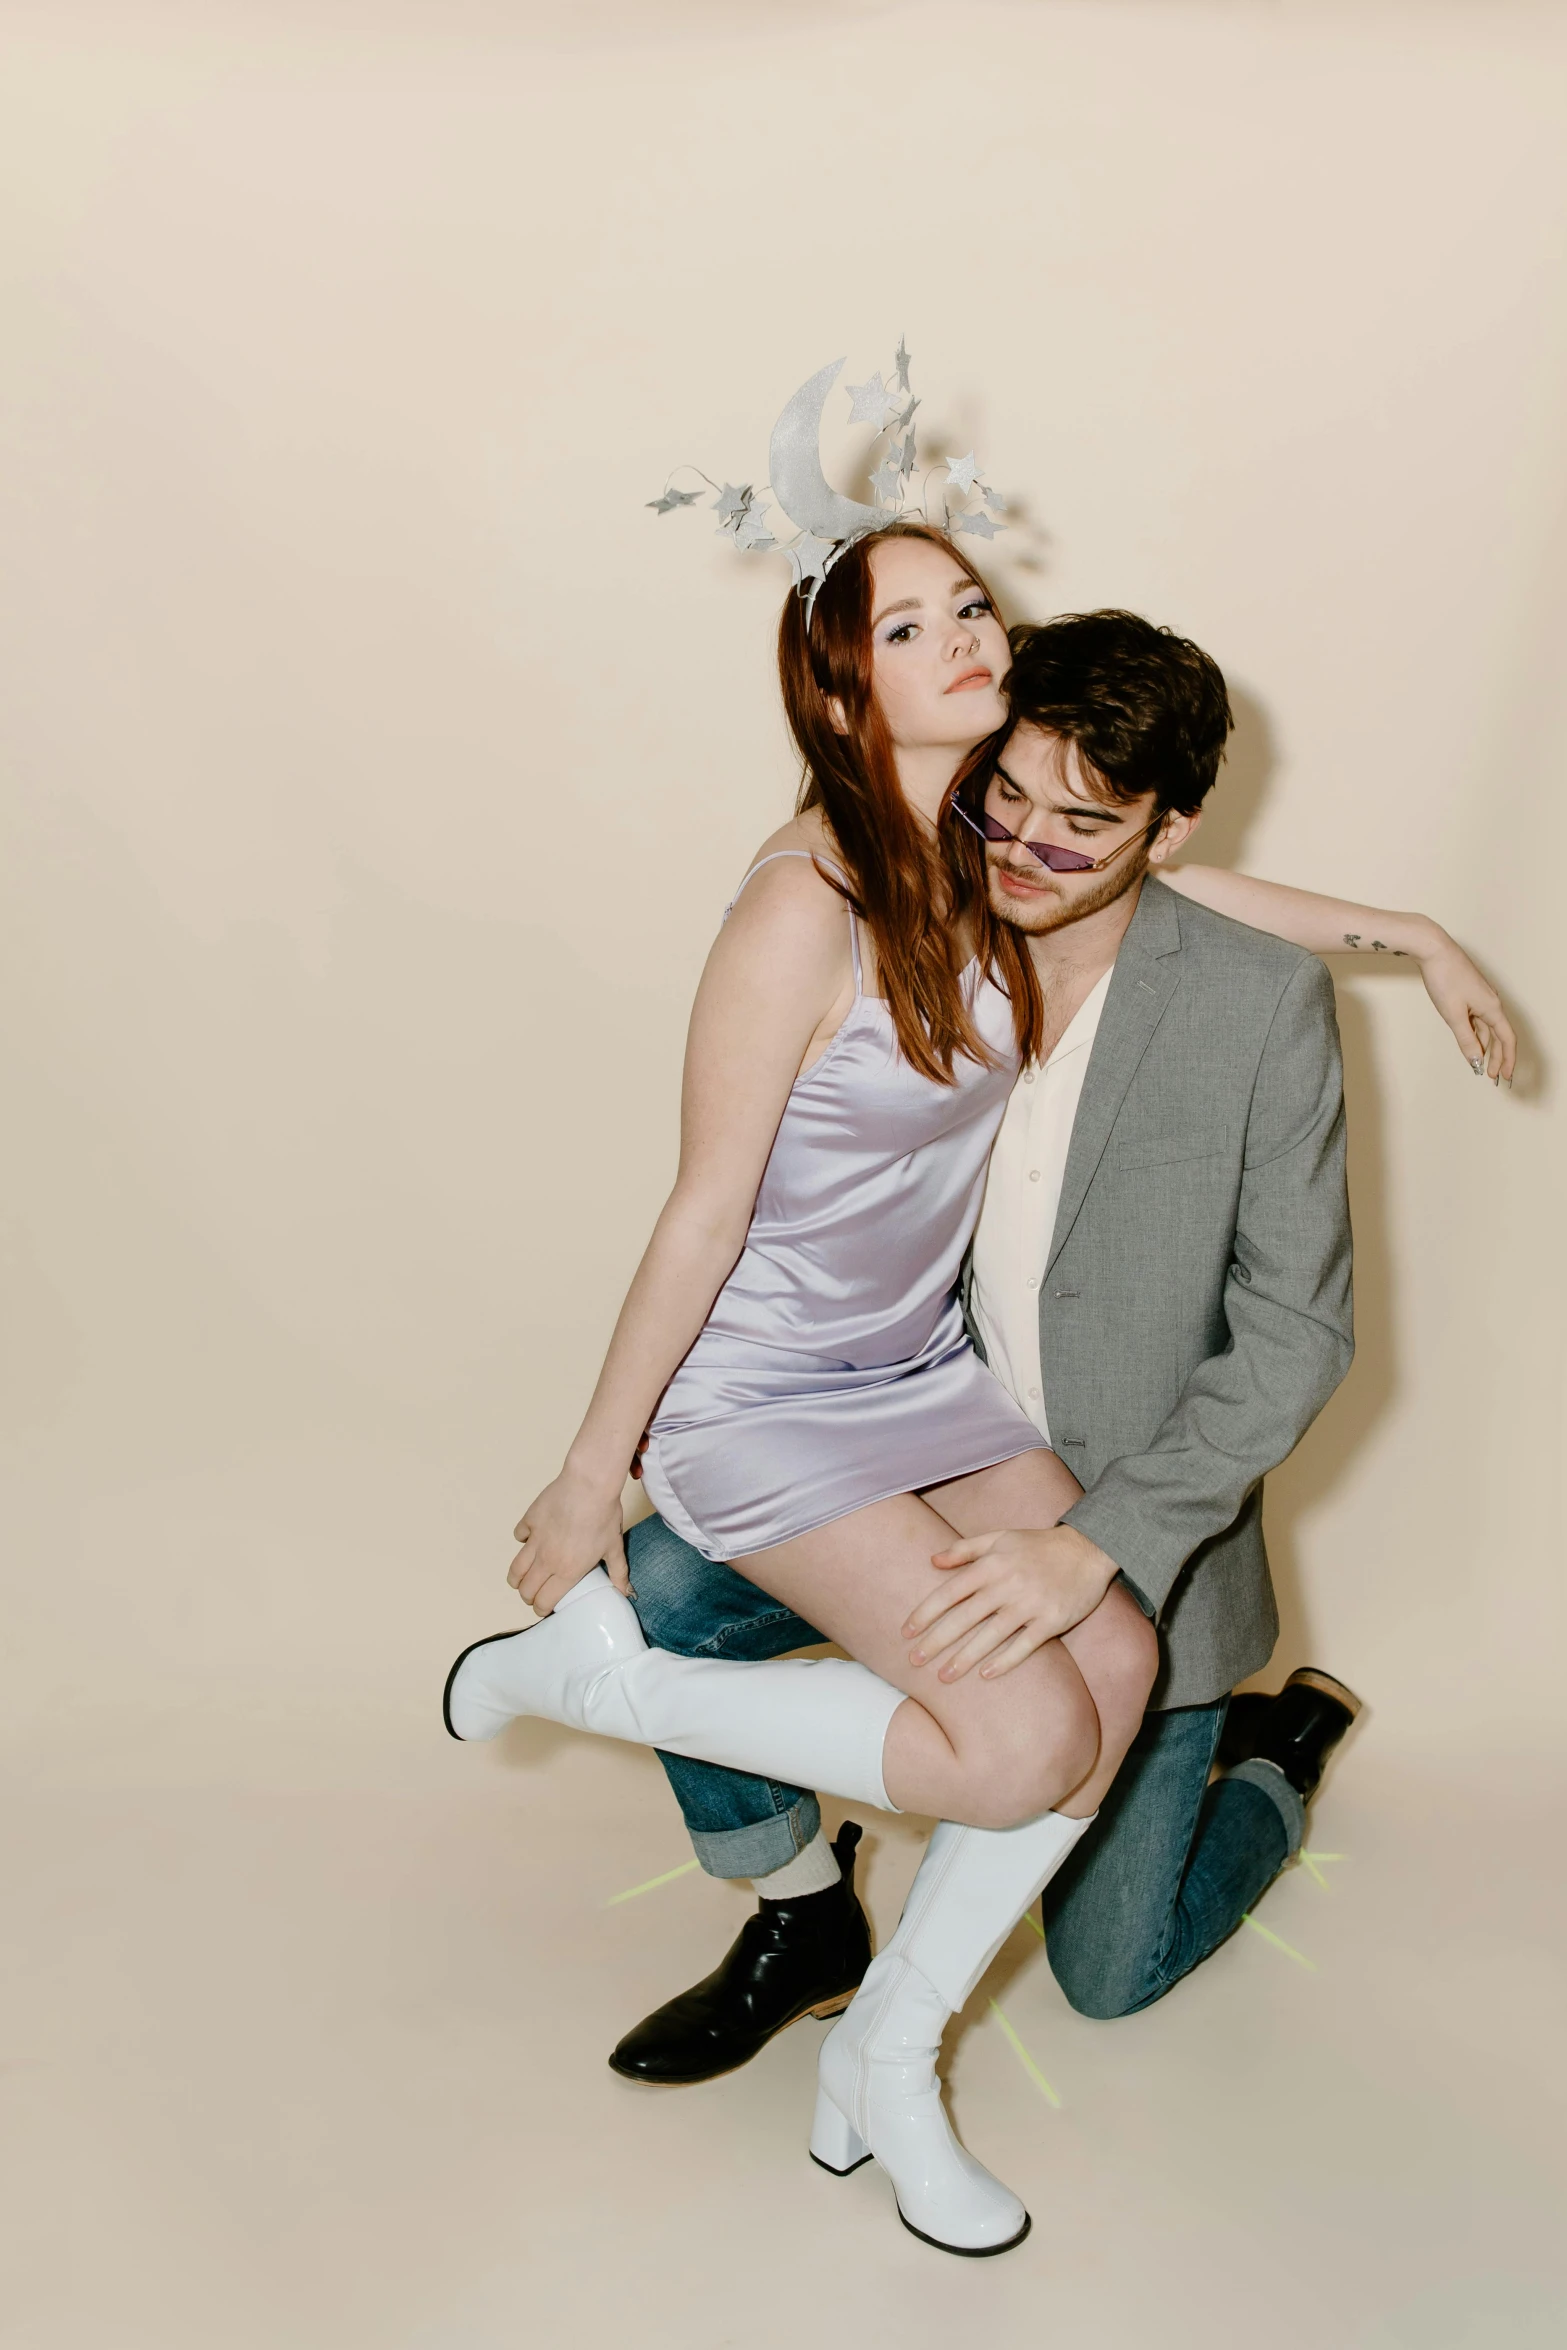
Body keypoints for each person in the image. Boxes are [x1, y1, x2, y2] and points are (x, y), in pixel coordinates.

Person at [443, 523, 1512, 2255]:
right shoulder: (811, 895)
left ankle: (1216, 1793)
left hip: (935, 1398)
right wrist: (589, 1467)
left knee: (1106, 1889)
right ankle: (681, 1786)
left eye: (972, 606)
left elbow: (1193, 921)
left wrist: (1402, 929)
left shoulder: (990, 852)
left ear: (1149, 834)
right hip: (777, 1395)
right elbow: (703, 1201)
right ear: (843, 677)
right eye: (910, 622)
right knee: (986, 1733)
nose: (961, 641)